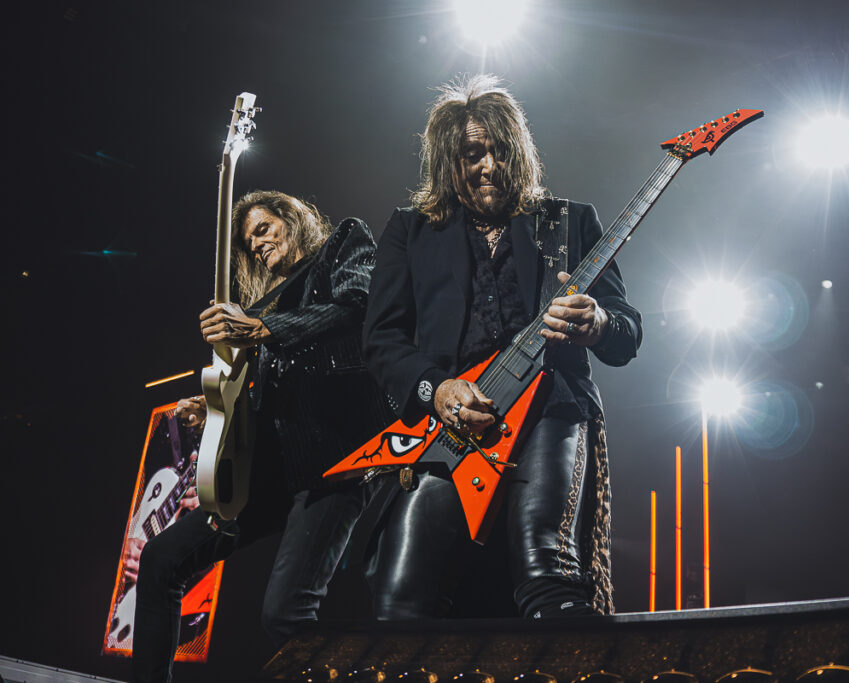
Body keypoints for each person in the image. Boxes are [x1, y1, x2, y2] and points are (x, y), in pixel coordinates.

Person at [363, 75, 642, 620]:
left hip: (550, 412)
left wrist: (598, 321)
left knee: (549, 576)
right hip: (451, 424)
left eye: (498, 151)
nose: (487, 165)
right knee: (399, 600)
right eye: (471, 153)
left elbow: (627, 332)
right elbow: (382, 339)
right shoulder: (409, 230)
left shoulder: (569, 220)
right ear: (448, 161)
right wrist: (436, 387)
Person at [132, 191, 389, 682]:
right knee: (162, 560)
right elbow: (262, 397)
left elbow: (360, 304)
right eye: (249, 243)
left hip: (335, 462)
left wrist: (261, 326)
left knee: (286, 614)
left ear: (293, 218)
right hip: (269, 470)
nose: (257, 245)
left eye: (264, 229)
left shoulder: (342, 243)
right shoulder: (266, 304)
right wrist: (213, 412)